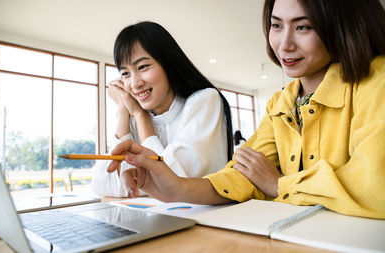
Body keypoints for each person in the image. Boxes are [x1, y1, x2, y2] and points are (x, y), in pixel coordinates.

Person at [106, 0, 385, 219]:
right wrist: (177, 188)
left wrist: (279, 186)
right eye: (276, 25)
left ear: (341, 26)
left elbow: (373, 185)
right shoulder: (281, 103)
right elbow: (243, 174)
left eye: (303, 27)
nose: (284, 44)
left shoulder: (377, 81)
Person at [92, 21, 233, 197]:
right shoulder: (132, 113)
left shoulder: (204, 101)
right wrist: (123, 110)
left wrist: (140, 117)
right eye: (125, 74)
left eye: (142, 67)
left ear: (168, 63)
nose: (135, 83)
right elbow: (103, 184)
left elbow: (176, 183)